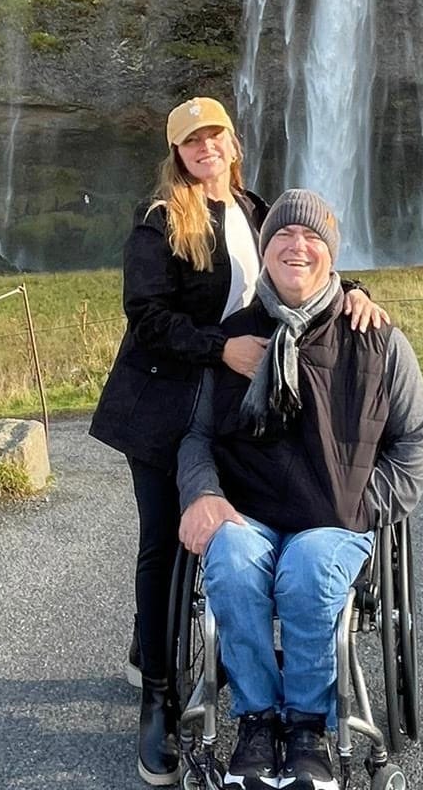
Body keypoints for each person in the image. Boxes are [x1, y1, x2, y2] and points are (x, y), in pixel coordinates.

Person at [90, 98, 389, 787]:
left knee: (236, 525)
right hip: (168, 400)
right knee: (166, 539)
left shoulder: (257, 210)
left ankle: (182, 644)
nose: (206, 147)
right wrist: (221, 350)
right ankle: (159, 696)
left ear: (233, 140)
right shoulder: (162, 218)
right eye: (191, 140)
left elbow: (304, 264)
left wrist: (359, 293)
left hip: (244, 399)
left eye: (214, 134)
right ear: (176, 151)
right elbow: (146, 318)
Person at [177, 190, 423, 790]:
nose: (297, 247)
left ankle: (307, 727)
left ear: (331, 252)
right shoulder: (236, 341)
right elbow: (195, 437)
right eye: (282, 236)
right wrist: (202, 493)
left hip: (335, 522)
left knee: (310, 567)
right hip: (250, 513)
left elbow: (414, 448)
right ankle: (258, 720)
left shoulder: (377, 339)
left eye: (312, 237)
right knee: (233, 562)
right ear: (265, 252)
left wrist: (360, 505)